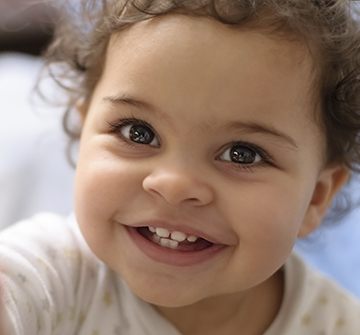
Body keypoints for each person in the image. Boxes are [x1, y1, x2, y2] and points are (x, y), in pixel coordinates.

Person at [1, 0, 360, 334]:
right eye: (138, 133)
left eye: (242, 154)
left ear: (316, 195)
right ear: (84, 135)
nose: (174, 184)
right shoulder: (58, 273)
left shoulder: (337, 323)